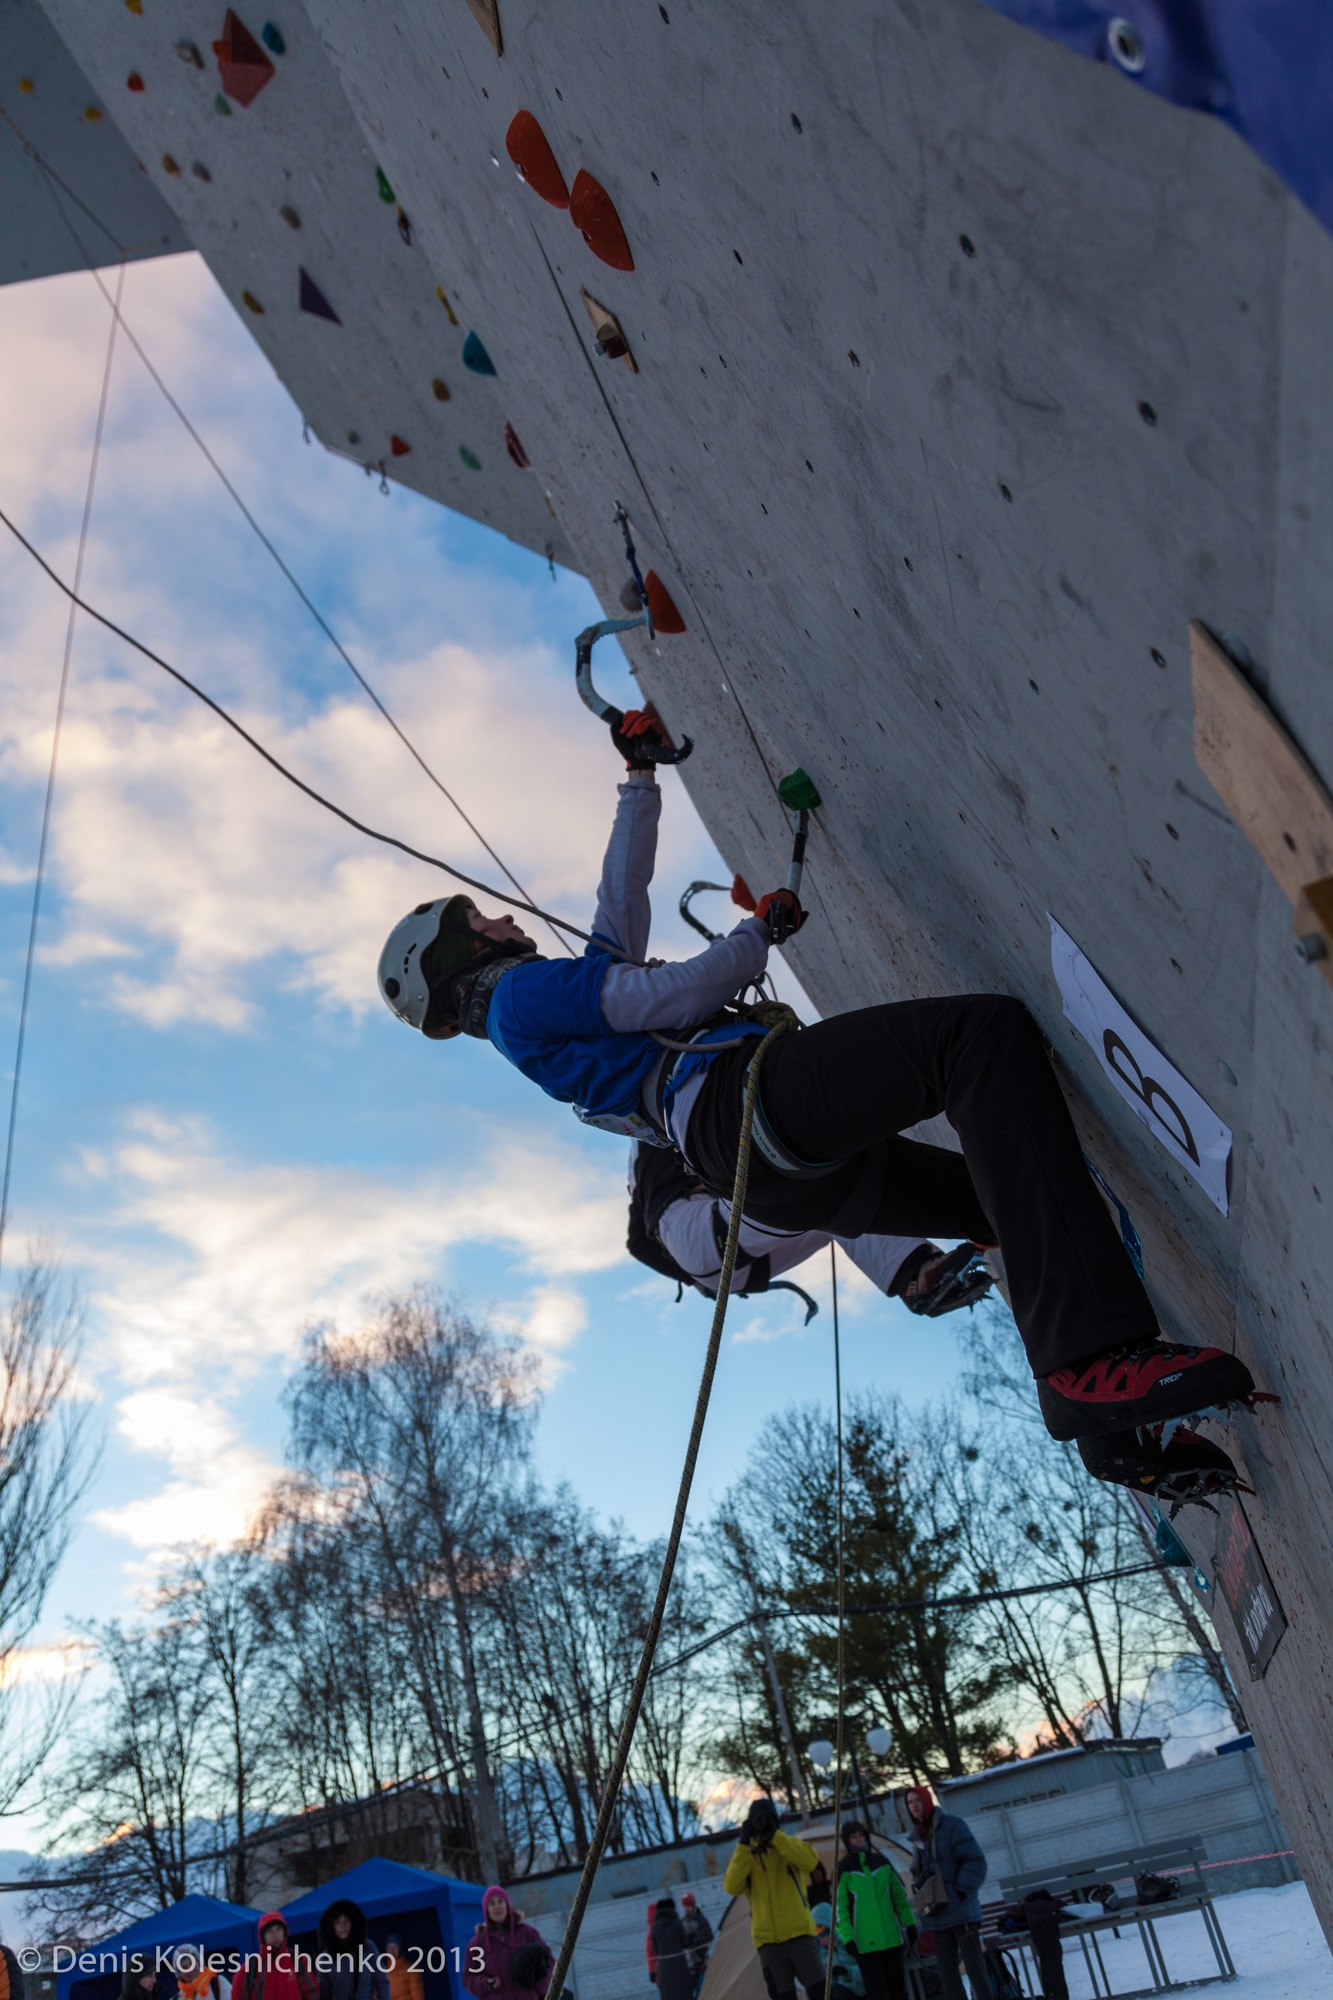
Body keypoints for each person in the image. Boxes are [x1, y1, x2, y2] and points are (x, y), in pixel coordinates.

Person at [378, 728, 1258, 1497]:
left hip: (768, 1174)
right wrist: (759, 932)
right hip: (742, 1108)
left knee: (1000, 1201)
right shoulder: (525, 999)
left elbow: (617, 916)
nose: (498, 917)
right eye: (478, 918)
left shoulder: (526, 1022)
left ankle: (1108, 1432)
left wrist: (639, 781)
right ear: (456, 955)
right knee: (976, 1038)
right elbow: (673, 991)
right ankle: (1084, 1365)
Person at [628, 1142, 992, 1317]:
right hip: (703, 1234)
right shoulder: (658, 1115)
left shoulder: (639, 1177)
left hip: (721, 1257)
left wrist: (698, 1279)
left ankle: (917, 1279)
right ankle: (974, 1205)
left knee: (834, 1207)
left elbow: (637, 1245)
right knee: (818, 1184)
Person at [721, 1796, 822, 2000]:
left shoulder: (789, 1845)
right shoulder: (747, 1856)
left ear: (774, 1820)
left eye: (765, 1818)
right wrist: (743, 1843)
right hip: (769, 1943)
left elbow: (810, 1861)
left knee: (821, 1993)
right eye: (756, 1820)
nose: (761, 1823)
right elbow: (731, 1886)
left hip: (799, 1935)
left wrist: (775, 1836)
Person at [905, 1786, 988, 2000]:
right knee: (948, 1975)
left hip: (960, 1912)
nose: (914, 1806)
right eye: (909, 1802)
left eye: (917, 1800)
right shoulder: (917, 1837)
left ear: (927, 1800)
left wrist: (962, 1891)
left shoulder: (951, 1825)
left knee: (976, 1970)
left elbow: (976, 1860)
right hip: (936, 1915)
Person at [835, 1820, 916, 2000]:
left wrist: (910, 1924)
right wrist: (848, 1938)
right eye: (853, 1837)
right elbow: (841, 1909)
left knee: (899, 1991)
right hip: (865, 1944)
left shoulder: (882, 1862)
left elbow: (899, 1899)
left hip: (891, 1940)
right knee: (876, 1994)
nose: (858, 1840)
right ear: (847, 1842)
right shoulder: (844, 1869)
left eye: (860, 1835)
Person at [461, 1886, 551, 2000]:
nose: (497, 1906)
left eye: (500, 1901)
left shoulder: (528, 1933)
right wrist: (486, 1983)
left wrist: (539, 1989)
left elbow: (548, 1961)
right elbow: (468, 1977)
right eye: (492, 1903)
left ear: (507, 1905)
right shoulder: (477, 1944)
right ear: (486, 1910)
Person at [231, 1917, 318, 2000]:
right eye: (270, 1931)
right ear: (262, 1936)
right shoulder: (251, 1967)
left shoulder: (297, 1959)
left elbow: (312, 1992)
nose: (275, 1934)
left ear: (285, 1932)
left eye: (278, 1929)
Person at [317, 1901, 389, 2000]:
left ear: (353, 1923)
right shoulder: (325, 1958)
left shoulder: (368, 1947)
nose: (343, 1926)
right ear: (331, 1926)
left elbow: (382, 1981)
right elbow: (324, 1993)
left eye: (346, 1921)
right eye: (337, 1922)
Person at [810, 1903, 862, 2000]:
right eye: (816, 1933)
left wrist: (848, 1972)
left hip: (864, 1991)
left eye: (822, 1931)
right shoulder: (822, 1953)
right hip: (844, 1992)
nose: (821, 1939)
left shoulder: (850, 1943)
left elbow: (871, 1971)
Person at [649, 1898, 693, 2000]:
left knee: (668, 1990)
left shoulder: (655, 1927)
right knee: (683, 1988)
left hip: (664, 1965)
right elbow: (686, 1943)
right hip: (679, 1961)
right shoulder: (677, 1923)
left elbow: (654, 1949)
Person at [679, 1894, 714, 1990]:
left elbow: (709, 1936)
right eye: (685, 1905)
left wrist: (694, 1941)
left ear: (693, 1905)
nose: (686, 1908)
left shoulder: (701, 1919)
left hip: (701, 1961)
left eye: (688, 1905)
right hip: (689, 1964)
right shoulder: (682, 1922)